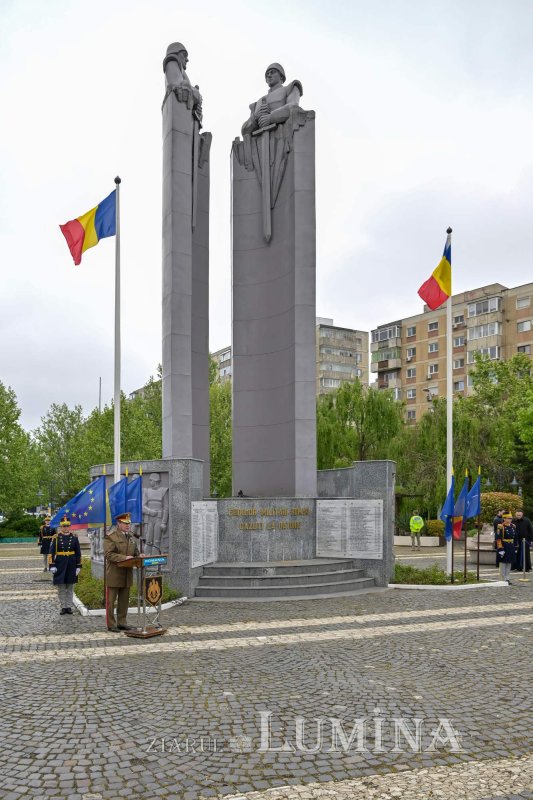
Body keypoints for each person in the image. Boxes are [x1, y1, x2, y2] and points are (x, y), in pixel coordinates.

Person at [241, 63, 302, 136]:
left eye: (273, 72)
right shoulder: (257, 103)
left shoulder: (290, 88)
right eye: (267, 75)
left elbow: (293, 106)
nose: (269, 75)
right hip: (261, 142)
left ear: (281, 77)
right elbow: (244, 131)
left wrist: (271, 117)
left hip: (282, 135)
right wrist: (255, 118)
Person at [103, 512, 139, 633]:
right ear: (118, 524)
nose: (128, 525)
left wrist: (141, 556)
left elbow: (136, 554)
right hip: (114, 574)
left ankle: (122, 622)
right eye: (125, 523)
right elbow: (108, 555)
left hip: (127, 575)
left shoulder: (131, 538)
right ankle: (111, 624)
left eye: (129, 523)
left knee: (124, 601)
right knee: (111, 602)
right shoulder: (111, 537)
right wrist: (124, 558)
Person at [48, 514, 82, 615]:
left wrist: (78, 566)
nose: (65, 527)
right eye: (64, 526)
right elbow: (51, 553)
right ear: (61, 527)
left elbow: (78, 553)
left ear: (69, 526)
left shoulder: (74, 538)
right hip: (60, 563)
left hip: (71, 563)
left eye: (67, 526)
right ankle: (63, 606)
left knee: (70, 587)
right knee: (61, 587)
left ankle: (69, 606)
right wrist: (52, 565)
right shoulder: (56, 538)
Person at [495, 512, 518, 585]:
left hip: (511, 546)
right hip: (504, 545)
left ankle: (507, 578)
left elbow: (515, 537)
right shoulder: (500, 526)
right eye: (509, 518)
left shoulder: (513, 526)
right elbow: (498, 538)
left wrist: (515, 546)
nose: (510, 520)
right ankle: (502, 579)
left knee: (509, 562)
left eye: (511, 518)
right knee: (503, 563)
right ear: (504, 518)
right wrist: (500, 548)